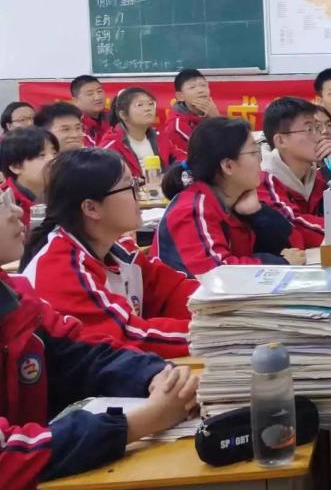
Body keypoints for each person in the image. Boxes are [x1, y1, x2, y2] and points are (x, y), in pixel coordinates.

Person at [0, 179, 199, 490]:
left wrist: (155, 375)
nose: (16, 211)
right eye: (2, 204)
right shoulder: (60, 265)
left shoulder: (13, 293)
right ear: (90, 207)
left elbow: (80, 353)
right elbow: (9, 457)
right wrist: (138, 422)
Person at [20, 150, 197, 359]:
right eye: (130, 186)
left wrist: (225, 310)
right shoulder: (60, 269)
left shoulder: (119, 249)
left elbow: (173, 292)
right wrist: (213, 334)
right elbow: (128, 336)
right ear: (91, 208)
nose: (139, 194)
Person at [156, 117, 304, 277]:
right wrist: (280, 263)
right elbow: (217, 273)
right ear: (228, 166)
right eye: (253, 153)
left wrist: (258, 213)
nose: (260, 160)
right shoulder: (192, 210)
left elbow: (295, 244)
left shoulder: (235, 201)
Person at [258, 97, 331, 249]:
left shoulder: (317, 176)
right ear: (281, 141)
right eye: (309, 129)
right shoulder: (264, 181)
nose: (320, 136)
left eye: (318, 128)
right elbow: (295, 225)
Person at [0, 127, 58, 229]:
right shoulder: (4, 204)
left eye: (54, 153)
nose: (53, 159)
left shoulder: (65, 192)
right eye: (42, 155)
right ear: (16, 167)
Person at [158, 69, 218, 166]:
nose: (201, 90)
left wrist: (216, 117)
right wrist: (216, 119)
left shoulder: (209, 113)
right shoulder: (177, 125)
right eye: (192, 87)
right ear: (180, 96)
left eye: (203, 85)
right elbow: (207, 152)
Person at [102, 88, 161, 180]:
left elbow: (180, 159)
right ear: (123, 115)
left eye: (151, 104)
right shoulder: (110, 146)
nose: (148, 109)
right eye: (140, 105)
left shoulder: (159, 136)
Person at [70, 75, 110, 147]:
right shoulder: (73, 123)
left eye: (99, 91)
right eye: (90, 94)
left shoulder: (114, 117)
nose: (97, 97)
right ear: (75, 100)